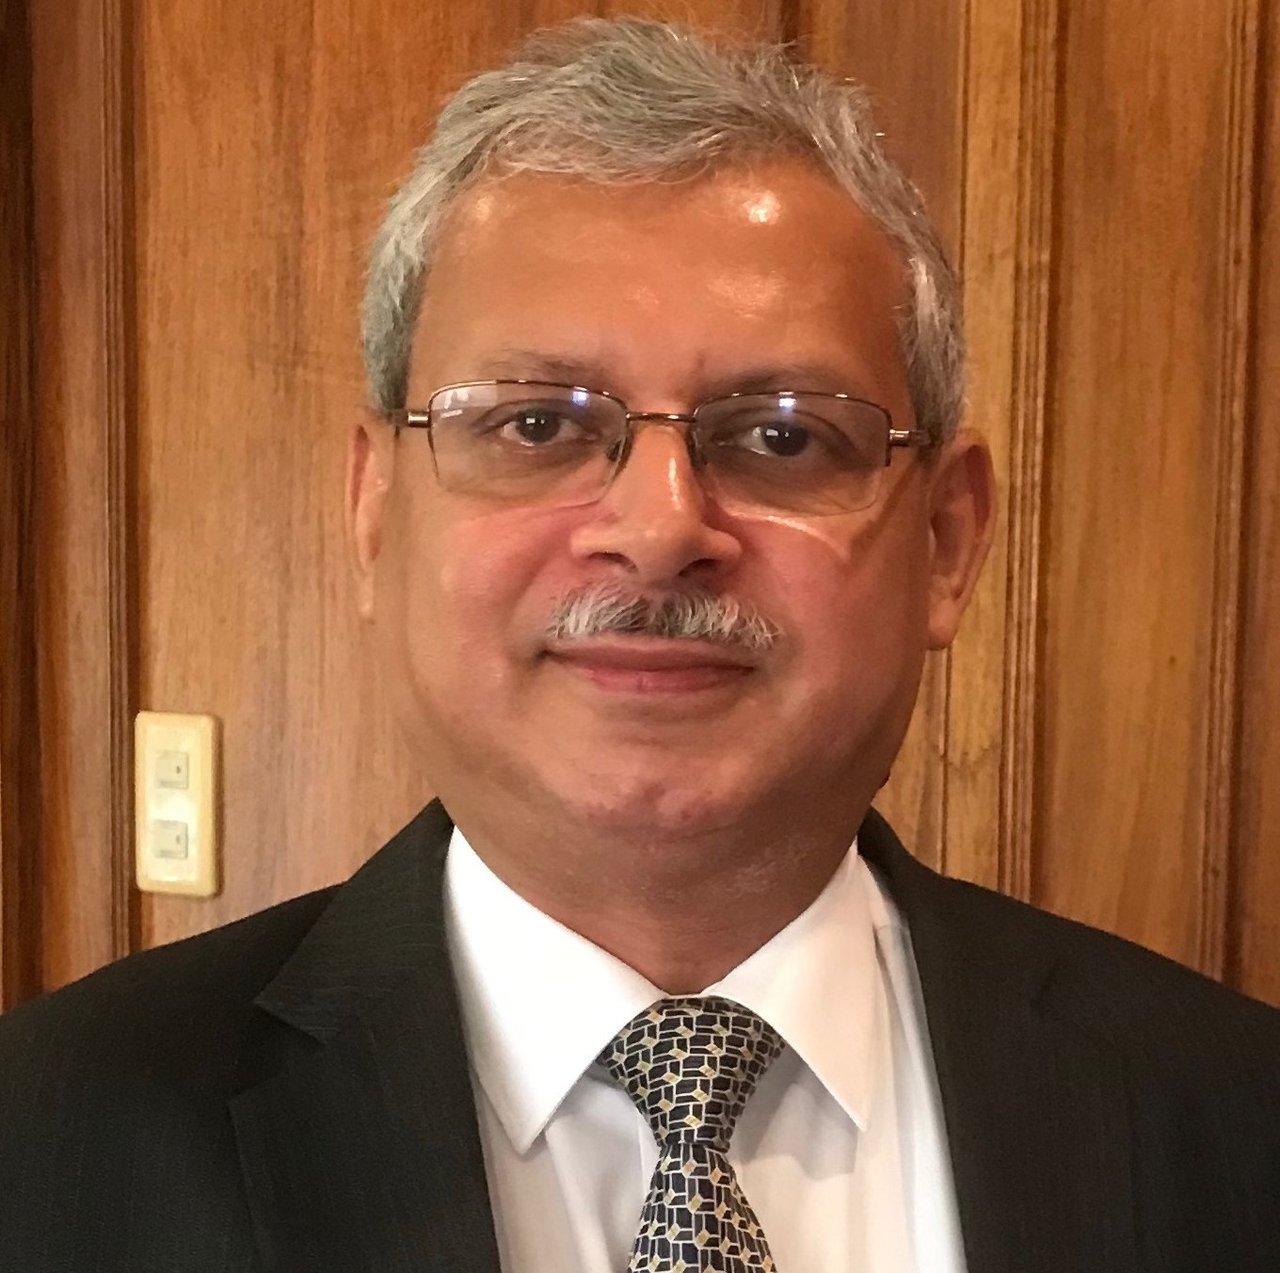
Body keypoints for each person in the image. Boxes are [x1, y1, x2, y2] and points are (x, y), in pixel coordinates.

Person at [1, 17, 1277, 1273]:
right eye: (537, 425)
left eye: (781, 435)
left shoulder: (1231, 1120)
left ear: (944, 543)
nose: (658, 529)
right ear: (374, 514)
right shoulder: (45, 1148)